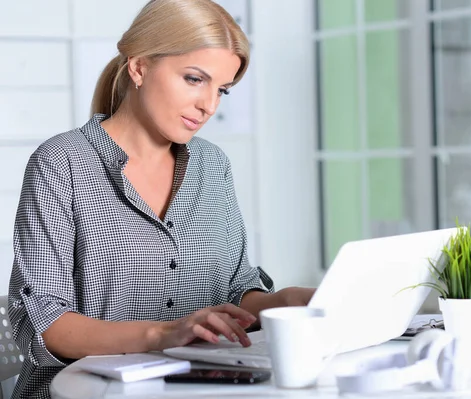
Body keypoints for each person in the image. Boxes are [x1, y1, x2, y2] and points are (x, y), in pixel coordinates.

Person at [8, 0, 315, 397]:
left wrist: (286, 300)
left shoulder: (213, 165)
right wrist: (162, 333)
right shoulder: (61, 164)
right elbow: (43, 323)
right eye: (194, 79)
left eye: (221, 89)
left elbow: (235, 290)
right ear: (139, 67)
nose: (209, 106)